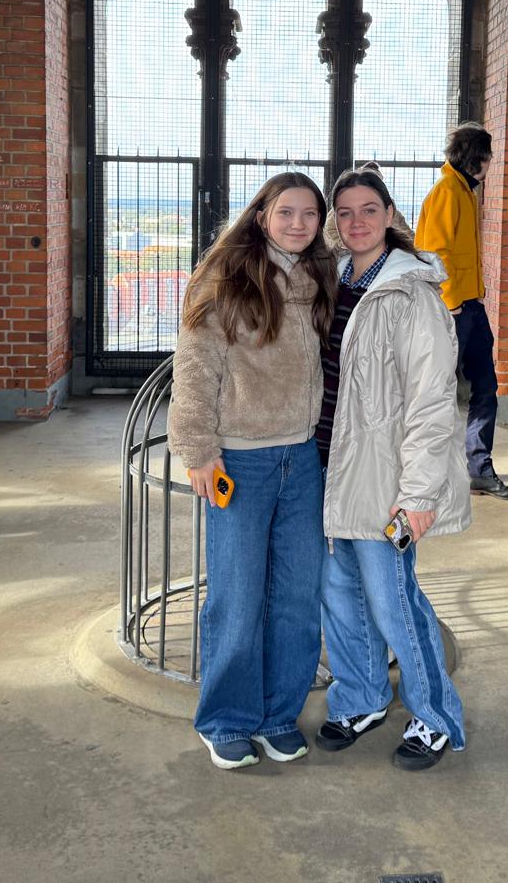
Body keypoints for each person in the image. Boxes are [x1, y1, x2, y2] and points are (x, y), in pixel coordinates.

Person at [166, 172, 337, 770]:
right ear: (262, 215)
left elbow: (381, 231)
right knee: (237, 597)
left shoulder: (318, 276)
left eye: (310, 214)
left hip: (302, 459)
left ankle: (277, 715)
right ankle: (227, 719)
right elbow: (195, 365)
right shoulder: (226, 277)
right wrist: (198, 450)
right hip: (240, 460)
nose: (298, 223)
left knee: (296, 596)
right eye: (285, 212)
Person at [315, 166, 471, 771]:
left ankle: (435, 716)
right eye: (345, 212)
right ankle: (362, 698)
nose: (356, 221)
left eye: (369, 210)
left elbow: (433, 403)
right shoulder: (333, 281)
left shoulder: (412, 294)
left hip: (385, 478)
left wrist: (419, 494)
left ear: (389, 215)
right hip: (329, 464)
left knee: (393, 600)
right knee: (339, 595)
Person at [415, 121, 508, 501]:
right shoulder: (448, 191)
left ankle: (479, 470)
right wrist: (452, 305)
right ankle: (425, 477)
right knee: (437, 395)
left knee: (486, 387)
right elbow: (434, 251)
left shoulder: (463, 191)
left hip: (470, 308)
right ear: (478, 157)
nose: (491, 163)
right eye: (489, 157)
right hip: (454, 312)